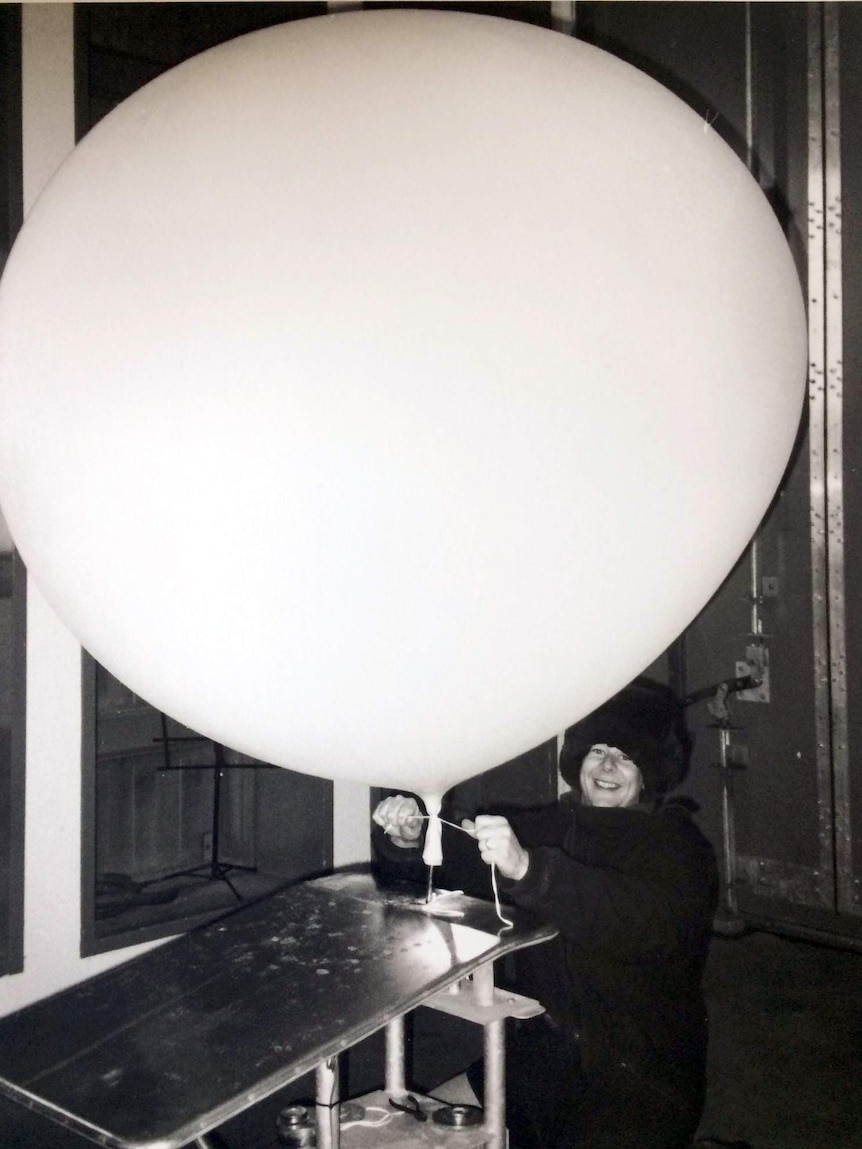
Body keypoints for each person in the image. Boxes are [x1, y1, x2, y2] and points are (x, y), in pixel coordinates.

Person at [372, 677, 719, 1149]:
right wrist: (412, 838)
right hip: (540, 1060)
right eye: (598, 749)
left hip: (637, 1080)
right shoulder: (555, 824)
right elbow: (468, 862)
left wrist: (530, 870)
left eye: (627, 755)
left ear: (652, 770)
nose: (608, 766)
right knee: (413, 1138)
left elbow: (626, 918)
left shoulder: (680, 849)